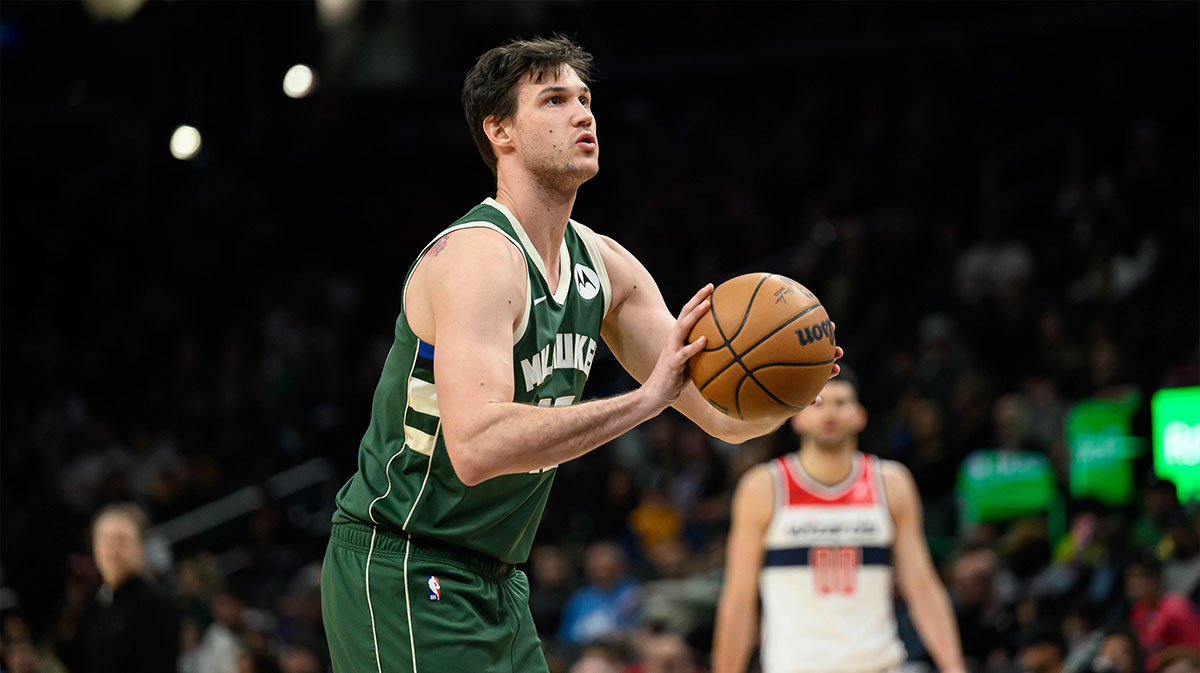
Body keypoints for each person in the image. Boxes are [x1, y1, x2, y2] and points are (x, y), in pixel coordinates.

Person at [320, 36, 841, 673]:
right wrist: (646, 401)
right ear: (500, 130)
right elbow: (478, 445)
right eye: (555, 100)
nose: (582, 114)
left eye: (585, 99)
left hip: (499, 578)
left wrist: (788, 394)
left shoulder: (607, 266)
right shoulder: (477, 259)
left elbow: (724, 420)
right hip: (405, 562)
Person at [712, 374, 964, 673]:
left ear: (860, 416)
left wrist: (954, 666)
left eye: (841, 403)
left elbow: (922, 587)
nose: (830, 413)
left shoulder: (891, 483)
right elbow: (739, 599)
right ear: (797, 418)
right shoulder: (763, 487)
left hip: (878, 664)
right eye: (818, 404)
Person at [85, 503, 180, 673]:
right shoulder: (99, 602)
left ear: (140, 548)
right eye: (105, 539)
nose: (112, 550)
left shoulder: (157, 604)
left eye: (122, 540)